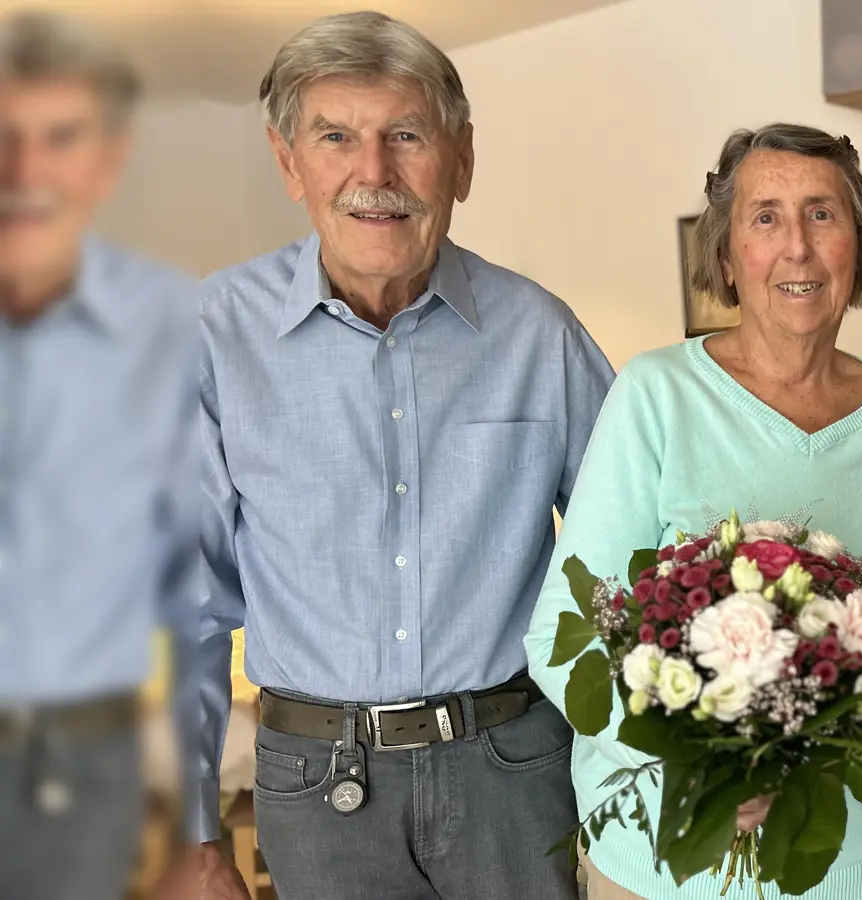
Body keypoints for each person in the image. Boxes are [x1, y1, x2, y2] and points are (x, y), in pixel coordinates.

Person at [187, 12, 612, 900]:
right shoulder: (212, 336)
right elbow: (180, 605)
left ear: (460, 158)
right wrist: (195, 834)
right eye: (335, 136)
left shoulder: (541, 334)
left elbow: (632, 565)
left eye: (405, 136)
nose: (372, 174)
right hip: (315, 787)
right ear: (287, 158)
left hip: (514, 770)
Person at [525, 123, 862, 900]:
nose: (797, 246)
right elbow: (566, 624)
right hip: (667, 862)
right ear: (726, 258)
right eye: (765, 217)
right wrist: (703, 760)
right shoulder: (655, 395)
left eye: (823, 214)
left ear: (856, 247)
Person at [0, 10, 197, 900]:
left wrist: (189, 832)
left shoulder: (168, 327)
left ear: (108, 159)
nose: (24, 170)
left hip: (90, 765)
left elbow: (192, 584)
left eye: (60, 138)